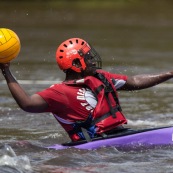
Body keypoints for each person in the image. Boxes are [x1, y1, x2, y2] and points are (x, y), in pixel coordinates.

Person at [0, 37, 173, 142]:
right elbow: (27, 104)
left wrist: (170, 73)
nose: (93, 60)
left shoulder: (100, 77)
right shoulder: (58, 93)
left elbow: (134, 81)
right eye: (88, 57)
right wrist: (6, 70)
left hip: (120, 134)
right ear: (75, 64)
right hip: (93, 144)